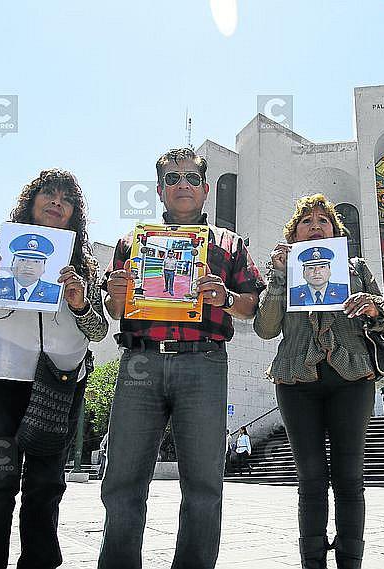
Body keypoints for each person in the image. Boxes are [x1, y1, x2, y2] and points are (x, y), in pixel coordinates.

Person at [99, 147, 265, 569]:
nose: (183, 185)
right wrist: (116, 298)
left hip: (203, 362)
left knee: (204, 484)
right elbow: (116, 312)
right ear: (160, 190)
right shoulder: (131, 243)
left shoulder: (230, 244)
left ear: (206, 189)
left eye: (191, 177)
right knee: (122, 481)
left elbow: (252, 305)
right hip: (140, 362)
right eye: (172, 179)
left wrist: (227, 298)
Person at [0, 168, 108, 569]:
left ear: (74, 213)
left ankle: (40, 561)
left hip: (59, 379)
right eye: (48, 195)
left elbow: (99, 330)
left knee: (46, 482)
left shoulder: (83, 262)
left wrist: (79, 303)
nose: (56, 203)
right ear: (30, 202)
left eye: (66, 199)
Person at [254, 193, 384, 569]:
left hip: (351, 378)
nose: (315, 225)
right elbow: (266, 328)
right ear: (294, 233)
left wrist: (373, 307)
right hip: (296, 381)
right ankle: (312, 562)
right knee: (311, 481)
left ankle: (350, 560)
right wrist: (280, 276)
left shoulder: (355, 267)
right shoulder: (283, 271)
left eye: (323, 220)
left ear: (334, 230)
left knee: (350, 478)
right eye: (306, 221)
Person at [0, 233, 62, 303]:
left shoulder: (56, 292)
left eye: (36, 262)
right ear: (12, 263)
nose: (28, 266)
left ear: (44, 268)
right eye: (22, 260)